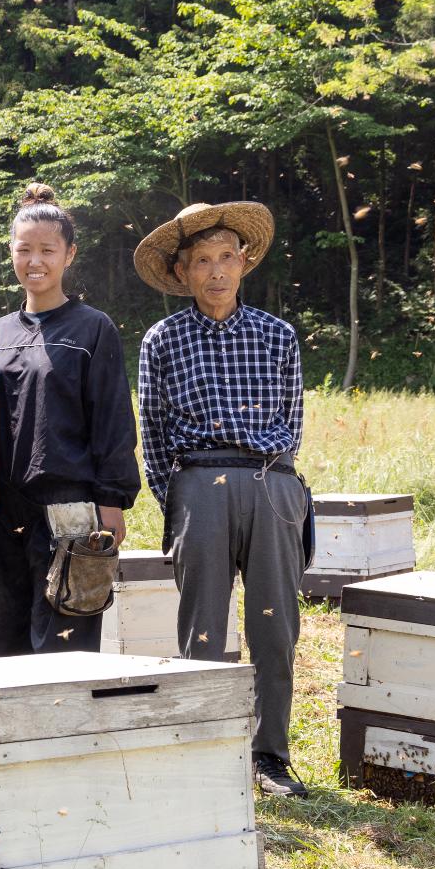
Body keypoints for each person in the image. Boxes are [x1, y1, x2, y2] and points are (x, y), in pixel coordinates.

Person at [135, 201, 311, 798]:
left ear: (245, 263)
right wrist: (179, 499)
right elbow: (152, 431)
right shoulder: (163, 339)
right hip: (198, 485)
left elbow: (293, 420)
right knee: (202, 629)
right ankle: (205, 751)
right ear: (183, 272)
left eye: (226, 259)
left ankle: (270, 757)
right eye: (202, 261)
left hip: (271, 482)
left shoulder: (277, 335)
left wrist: (277, 483)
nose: (215, 272)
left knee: (275, 626)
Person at [0, 184, 140, 656]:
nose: (35, 261)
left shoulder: (93, 327)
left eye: (47, 250)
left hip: (71, 508)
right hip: (3, 509)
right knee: (5, 645)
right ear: (10, 252)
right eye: (24, 249)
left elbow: (113, 419)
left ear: (69, 255)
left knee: (63, 649)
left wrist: (111, 504)